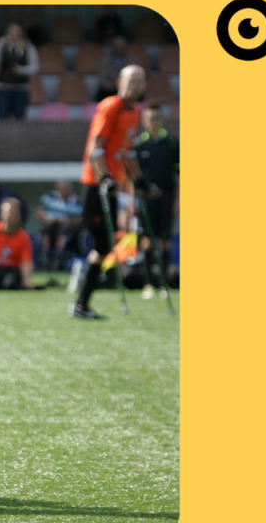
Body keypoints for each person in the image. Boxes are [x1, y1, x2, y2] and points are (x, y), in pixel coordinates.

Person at [69, 64, 151, 319]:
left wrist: (141, 181)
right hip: (96, 184)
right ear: (119, 83)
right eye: (130, 80)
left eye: (139, 80)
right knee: (102, 244)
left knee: (104, 246)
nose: (134, 85)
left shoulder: (136, 112)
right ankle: (81, 302)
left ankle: (82, 304)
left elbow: (127, 152)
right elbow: (96, 148)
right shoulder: (110, 106)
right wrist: (104, 177)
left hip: (112, 185)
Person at [134, 103, 179, 289]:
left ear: (162, 120)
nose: (153, 122)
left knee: (165, 240)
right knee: (146, 241)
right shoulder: (138, 144)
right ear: (144, 121)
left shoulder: (173, 143)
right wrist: (131, 202)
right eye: (150, 119)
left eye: (157, 118)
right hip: (146, 201)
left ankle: (165, 283)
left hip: (167, 200)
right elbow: (131, 178)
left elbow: (181, 176)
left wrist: (178, 201)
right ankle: (149, 284)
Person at [0, 23, 40, 120]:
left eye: (17, 34)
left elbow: (34, 68)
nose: (14, 37)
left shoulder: (29, 47)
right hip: (3, 87)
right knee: (2, 116)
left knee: (20, 116)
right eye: (12, 34)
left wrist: (21, 70)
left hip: (21, 88)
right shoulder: (2, 47)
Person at [35, 180, 83, 271]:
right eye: (61, 189)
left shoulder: (77, 201)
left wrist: (68, 220)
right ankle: (45, 256)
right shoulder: (50, 197)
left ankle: (59, 256)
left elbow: (81, 218)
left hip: (68, 227)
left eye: (65, 189)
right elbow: (39, 212)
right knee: (45, 230)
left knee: (64, 232)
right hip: (52, 225)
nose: (63, 191)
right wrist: (47, 219)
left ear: (71, 190)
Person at [96, 36, 137, 102]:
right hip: (110, 90)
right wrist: (115, 87)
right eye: (117, 45)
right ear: (112, 46)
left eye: (121, 46)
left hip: (127, 89)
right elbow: (102, 79)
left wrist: (125, 87)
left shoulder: (131, 60)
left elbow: (135, 76)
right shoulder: (106, 60)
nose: (119, 48)